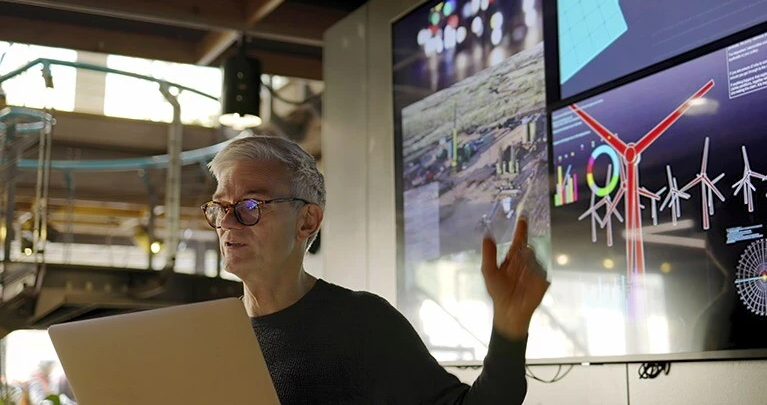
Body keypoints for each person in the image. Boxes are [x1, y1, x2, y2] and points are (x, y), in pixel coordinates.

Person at [202, 135, 549, 404]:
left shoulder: (360, 323)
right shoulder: (210, 338)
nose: (227, 223)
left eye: (249, 205)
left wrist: (509, 329)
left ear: (307, 221)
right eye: (220, 207)